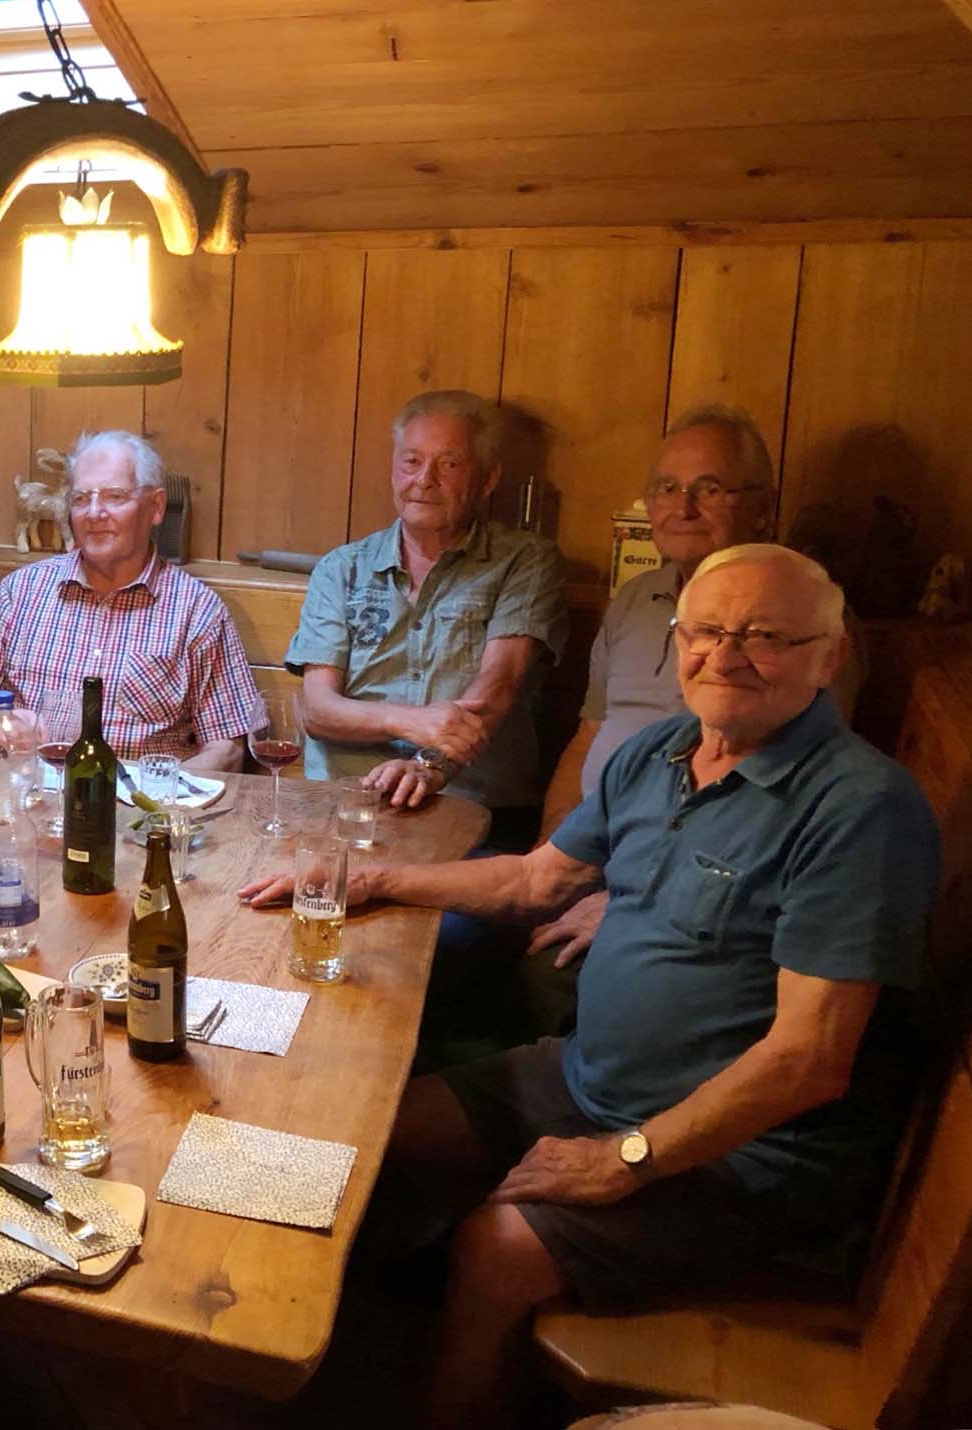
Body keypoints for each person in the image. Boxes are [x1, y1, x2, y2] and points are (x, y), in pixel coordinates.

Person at [254, 544, 939, 1429]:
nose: (724, 655)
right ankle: (307, 1359)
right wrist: (374, 880)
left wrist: (625, 1158)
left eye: (764, 636)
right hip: (585, 1077)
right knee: (360, 1130)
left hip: (749, 1156)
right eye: (703, 631)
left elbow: (809, 1060)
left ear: (828, 657)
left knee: (495, 1248)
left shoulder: (860, 809)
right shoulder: (658, 752)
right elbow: (533, 881)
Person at [522, 406, 865, 1006]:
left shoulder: (806, 622)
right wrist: (551, 855)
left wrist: (627, 901)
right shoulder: (633, 600)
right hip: (594, 853)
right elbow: (587, 738)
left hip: (692, 886)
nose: (682, 507)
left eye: (709, 489)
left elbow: (789, 798)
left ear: (763, 507)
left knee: (545, 977)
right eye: (666, 488)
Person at [286, 390, 567, 847]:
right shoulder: (341, 568)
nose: (425, 480)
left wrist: (429, 765)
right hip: (345, 805)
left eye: (449, 464)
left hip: (470, 809)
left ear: (488, 479)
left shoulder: (525, 562)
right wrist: (409, 722)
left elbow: (498, 685)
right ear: (393, 470)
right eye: (412, 461)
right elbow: (318, 710)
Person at [0, 429, 261, 771]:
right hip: (26, 790)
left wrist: (162, 791)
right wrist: (3, 724)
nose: (94, 513)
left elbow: (228, 748)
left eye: (114, 496)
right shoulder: (19, 593)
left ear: (156, 507)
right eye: (80, 499)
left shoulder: (197, 611)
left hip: (138, 799)